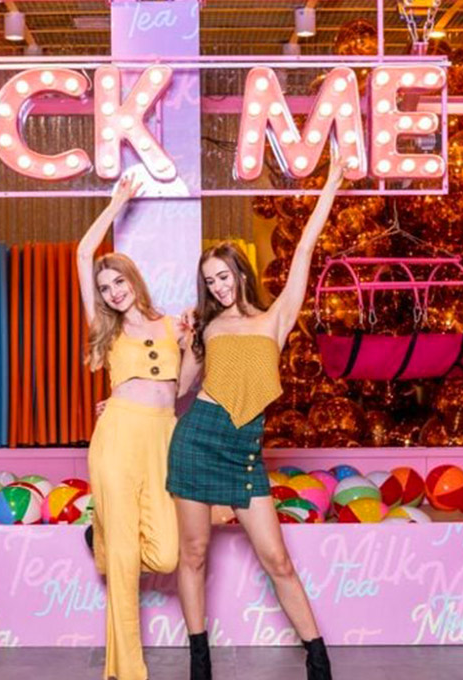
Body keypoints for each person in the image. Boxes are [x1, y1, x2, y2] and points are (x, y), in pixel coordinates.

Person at [167, 155, 346, 680]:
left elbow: (306, 248)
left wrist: (330, 185)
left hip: (245, 451)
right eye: (210, 281)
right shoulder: (206, 327)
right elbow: (179, 389)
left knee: (278, 560)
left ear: (241, 272)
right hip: (197, 437)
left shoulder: (275, 318)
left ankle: (317, 656)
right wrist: (182, 347)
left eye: (224, 276)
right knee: (195, 554)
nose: (219, 286)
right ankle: (200, 660)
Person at [77, 176, 188, 680]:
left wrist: (193, 349)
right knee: (124, 562)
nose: (112, 292)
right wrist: (116, 204)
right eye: (104, 289)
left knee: (164, 553)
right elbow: (83, 255)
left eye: (118, 282)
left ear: (134, 280)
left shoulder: (171, 325)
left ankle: (102, 535)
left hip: (163, 436)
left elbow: (181, 388)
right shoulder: (109, 328)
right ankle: (127, 671)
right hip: (118, 437)